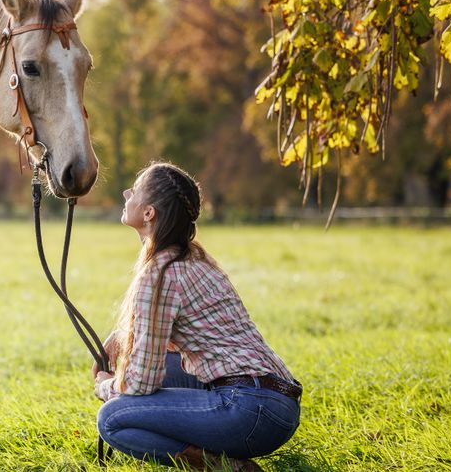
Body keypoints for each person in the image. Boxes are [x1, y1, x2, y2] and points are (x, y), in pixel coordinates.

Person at [94, 162, 301, 471]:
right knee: (165, 365)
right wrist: (123, 336)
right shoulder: (194, 257)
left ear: (149, 212)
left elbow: (139, 384)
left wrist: (105, 385)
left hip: (248, 409)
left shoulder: (160, 273)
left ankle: (225, 467)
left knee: (113, 418)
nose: (127, 193)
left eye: (135, 190)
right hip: (279, 404)